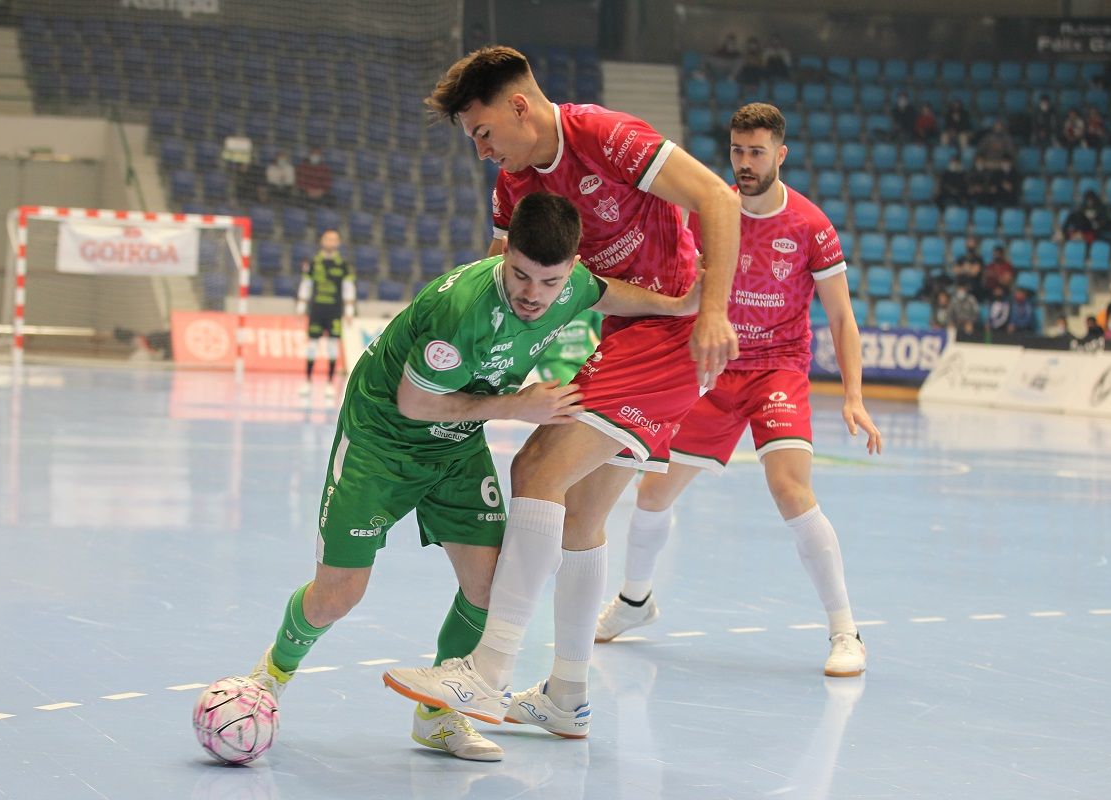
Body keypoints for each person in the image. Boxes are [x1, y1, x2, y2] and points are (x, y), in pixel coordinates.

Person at [243, 192, 703, 762]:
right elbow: (415, 404)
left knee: (490, 587)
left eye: (550, 281)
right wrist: (520, 406)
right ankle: (268, 678)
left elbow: (609, 293)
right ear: (505, 252)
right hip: (383, 442)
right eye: (521, 275)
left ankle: (438, 717)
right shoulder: (461, 310)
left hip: (457, 447)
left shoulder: (573, 284)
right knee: (339, 594)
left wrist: (683, 305)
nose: (534, 295)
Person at [381, 45, 740, 736]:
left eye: (484, 133)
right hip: (622, 335)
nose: (482, 150)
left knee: (537, 468)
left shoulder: (603, 136)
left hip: (670, 331)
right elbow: (498, 275)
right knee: (579, 515)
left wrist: (714, 313)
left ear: (519, 105)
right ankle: (569, 695)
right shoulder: (515, 189)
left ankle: (487, 674)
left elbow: (717, 199)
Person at [592, 103, 882, 678]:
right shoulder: (706, 212)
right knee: (651, 493)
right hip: (711, 368)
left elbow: (843, 319)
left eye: (756, 152)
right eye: (737, 151)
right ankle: (635, 601)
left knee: (789, 488)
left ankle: (845, 631)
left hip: (777, 370)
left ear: (780, 153)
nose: (745, 163)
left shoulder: (811, 226)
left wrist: (853, 394)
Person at [296, 229, 353, 399]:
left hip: (334, 311)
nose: (331, 242)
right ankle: (307, 381)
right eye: (328, 238)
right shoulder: (313, 262)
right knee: (312, 345)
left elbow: (348, 288)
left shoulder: (343, 265)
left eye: (334, 239)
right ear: (322, 241)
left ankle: (330, 383)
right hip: (316, 310)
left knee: (332, 347)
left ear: (338, 243)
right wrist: (300, 307)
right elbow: (306, 285)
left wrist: (349, 311)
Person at [533, 309, 602, 385]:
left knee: (600, 390)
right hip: (554, 362)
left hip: (588, 361)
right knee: (572, 393)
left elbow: (605, 334)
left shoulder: (590, 302)